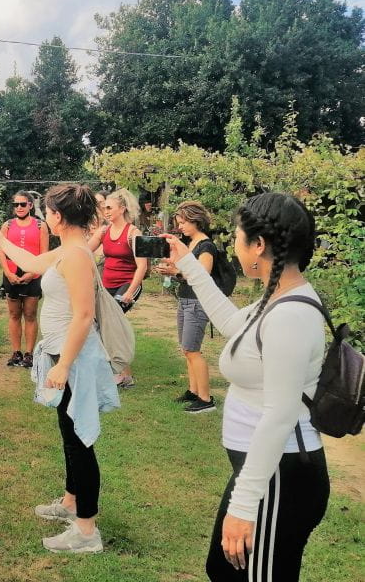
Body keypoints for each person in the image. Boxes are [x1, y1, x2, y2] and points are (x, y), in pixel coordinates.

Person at [162, 192, 329, 581]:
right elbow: (229, 322)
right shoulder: (273, 300)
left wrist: (243, 505)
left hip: (280, 476)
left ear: (258, 245)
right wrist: (187, 262)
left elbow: (281, 414)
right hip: (266, 475)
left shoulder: (291, 315)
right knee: (223, 570)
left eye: (237, 237)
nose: (233, 247)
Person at [0, 184, 120, 554]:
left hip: (73, 358)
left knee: (80, 442)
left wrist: (64, 365)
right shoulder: (68, 251)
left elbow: (84, 315)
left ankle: (87, 533)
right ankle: (70, 503)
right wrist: (0, 241)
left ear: (58, 216)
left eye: (46, 212)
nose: (45, 217)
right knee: (69, 432)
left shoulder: (75, 256)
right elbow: (30, 263)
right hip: (63, 354)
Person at [155, 201, 218, 413]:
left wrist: (176, 273)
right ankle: (193, 390)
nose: (180, 227)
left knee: (193, 350)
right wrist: (172, 268)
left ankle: (206, 399)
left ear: (196, 220)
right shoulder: (190, 244)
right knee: (186, 349)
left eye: (183, 222)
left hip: (197, 302)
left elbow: (203, 275)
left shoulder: (206, 246)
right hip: (185, 299)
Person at [88, 188, 148, 387]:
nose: (105, 211)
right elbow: (86, 250)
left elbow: (142, 266)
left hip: (127, 285)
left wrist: (130, 292)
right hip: (107, 285)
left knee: (111, 325)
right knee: (107, 326)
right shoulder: (104, 230)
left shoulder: (133, 233)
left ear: (122, 208)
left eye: (109, 208)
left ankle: (122, 375)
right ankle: (123, 374)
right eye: (104, 208)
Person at [0, 191, 50, 368]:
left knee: (30, 314)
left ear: (30, 205)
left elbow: (44, 253)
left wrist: (32, 273)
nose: (19, 208)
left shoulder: (40, 226)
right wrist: (8, 273)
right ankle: (16, 352)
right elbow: (1, 250)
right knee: (14, 314)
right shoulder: (7, 225)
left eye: (22, 204)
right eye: (16, 205)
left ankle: (29, 354)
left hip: (33, 274)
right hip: (11, 274)